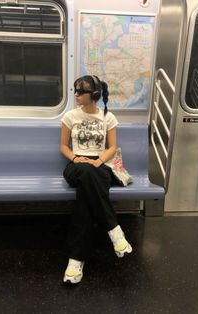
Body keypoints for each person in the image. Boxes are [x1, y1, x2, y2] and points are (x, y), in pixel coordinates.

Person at [60, 75, 132, 284]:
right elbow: (63, 146)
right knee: (86, 174)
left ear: (95, 95)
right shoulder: (70, 116)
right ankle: (114, 229)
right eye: (75, 90)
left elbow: (112, 147)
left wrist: (99, 160)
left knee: (85, 196)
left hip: (100, 165)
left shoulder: (108, 117)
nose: (76, 95)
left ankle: (76, 259)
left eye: (80, 91)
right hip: (77, 165)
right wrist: (76, 157)